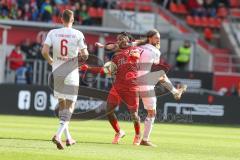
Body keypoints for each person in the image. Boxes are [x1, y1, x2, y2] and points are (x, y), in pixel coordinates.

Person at [96, 29, 187, 147]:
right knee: (151, 112)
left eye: (159, 38)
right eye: (156, 37)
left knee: (159, 76)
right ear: (150, 38)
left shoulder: (136, 44)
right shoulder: (155, 51)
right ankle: (144, 139)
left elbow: (116, 45)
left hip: (132, 80)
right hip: (144, 82)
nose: (158, 40)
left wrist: (104, 45)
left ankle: (175, 91)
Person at [84, 32, 143, 145]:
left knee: (134, 115)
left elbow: (137, 54)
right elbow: (106, 70)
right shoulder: (116, 56)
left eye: (122, 38)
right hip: (118, 87)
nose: (120, 40)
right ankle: (119, 132)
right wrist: (89, 68)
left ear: (127, 39)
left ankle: (137, 135)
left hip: (132, 87)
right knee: (108, 111)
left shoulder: (134, 48)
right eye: (118, 39)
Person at [41, 9, 89, 150]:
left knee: (62, 106)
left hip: (57, 72)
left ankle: (68, 138)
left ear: (61, 19)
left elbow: (44, 51)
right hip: (71, 72)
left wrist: (52, 62)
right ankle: (58, 135)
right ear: (73, 19)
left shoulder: (52, 33)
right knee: (70, 106)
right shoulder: (78, 34)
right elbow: (85, 55)